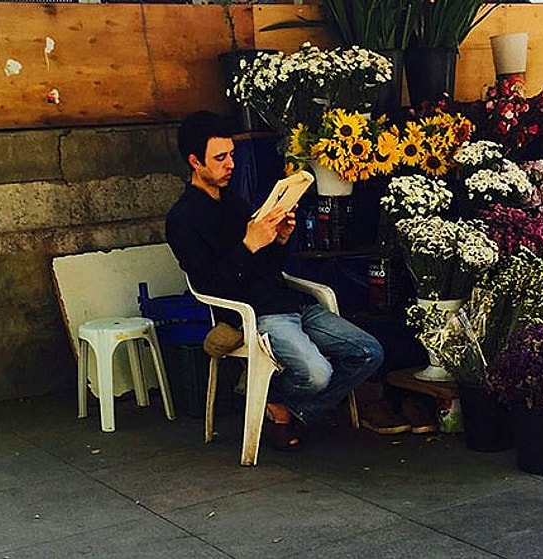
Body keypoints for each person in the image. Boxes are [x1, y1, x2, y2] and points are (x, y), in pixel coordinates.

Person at [167, 111, 406, 450]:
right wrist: (249, 244)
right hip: (255, 313)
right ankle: (282, 406)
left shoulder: (235, 202)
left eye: (232, 155)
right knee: (317, 374)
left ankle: (281, 404)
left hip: (290, 301)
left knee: (369, 352)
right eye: (219, 158)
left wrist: (278, 240)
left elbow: (269, 266)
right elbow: (209, 284)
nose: (230, 164)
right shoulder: (182, 219)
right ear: (195, 161)